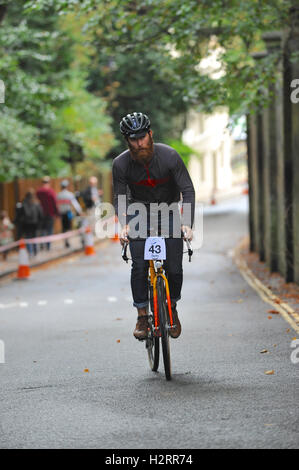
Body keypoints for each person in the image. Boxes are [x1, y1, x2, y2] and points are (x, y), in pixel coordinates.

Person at [112, 112, 195, 340]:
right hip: (138, 213)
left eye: (142, 137)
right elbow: (119, 196)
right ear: (127, 141)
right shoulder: (120, 164)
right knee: (139, 265)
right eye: (133, 139)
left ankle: (172, 307)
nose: (139, 144)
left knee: (175, 268)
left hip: (168, 211)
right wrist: (124, 225)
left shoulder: (169, 156)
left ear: (150, 134)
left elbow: (187, 190)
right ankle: (141, 315)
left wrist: (187, 223)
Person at [57, 179, 82, 248]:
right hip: (68, 213)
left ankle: (65, 241)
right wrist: (80, 211)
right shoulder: (69, 194)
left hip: (62, 214)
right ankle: (68, 241)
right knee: (69, 227)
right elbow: (75, 204)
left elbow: (57, 206)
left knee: (64, 228)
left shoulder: (58, 195)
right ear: (67, 186)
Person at [36, 176, 59, 251]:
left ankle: (42, 244)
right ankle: (48, 246)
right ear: (49, 182)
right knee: (49, 230)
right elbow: (55, 203)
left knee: (42, 230)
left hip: (41, 214)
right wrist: (57, 213)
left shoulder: (39, 192)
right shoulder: (51, 191)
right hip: (50, 214)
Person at [19, 189, 43, 256]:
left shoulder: (23, 203)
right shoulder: (36, 203)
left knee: (28, 238)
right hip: (34, 223)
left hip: (26, 224)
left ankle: (30, 252)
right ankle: (35, 251)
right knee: (34, 237)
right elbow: (40, 214)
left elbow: (20, 215)